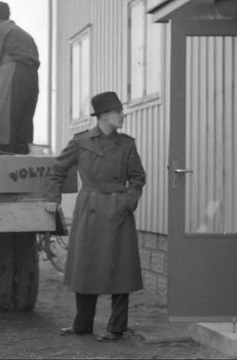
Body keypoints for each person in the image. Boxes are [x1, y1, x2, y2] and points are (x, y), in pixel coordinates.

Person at [44, 91, 146, 342]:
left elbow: (137, 178)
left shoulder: (127, 144)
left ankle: (116, 328)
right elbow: (58, 168)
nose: (122, 115)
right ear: (103, 116)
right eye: (117, 112)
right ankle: (82, 325)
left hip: (118, 209)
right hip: (89, 208)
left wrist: (127, 202)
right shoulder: (81, 141)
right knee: (86, 266)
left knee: (120, 268)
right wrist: (52, 198)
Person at [0, 0, 39, 154]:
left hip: (12, 78)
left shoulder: (2, 30)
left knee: (3, 125)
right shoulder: (26, 35)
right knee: (23, 125)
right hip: (32, 79)